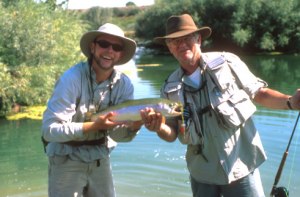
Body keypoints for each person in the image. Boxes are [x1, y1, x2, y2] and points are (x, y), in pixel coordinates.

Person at [140, 14, 300, 197]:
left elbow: (260, 93)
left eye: (186, 38)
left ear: (198, 39)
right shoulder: (168, 89)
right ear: (169, 47)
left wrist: (290, 102)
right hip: (202, 177)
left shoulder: (228, 63)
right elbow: (172, 134)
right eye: (174, 41)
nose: (181, 44)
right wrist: (159, 127)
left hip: (242, 170)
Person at [42, 23, 143, 197]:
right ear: (93, 46)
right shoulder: (71, 79)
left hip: (100, 157)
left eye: (116, 47)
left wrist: (136, 124)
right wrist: (93, 126)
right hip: (65, 157)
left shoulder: (124, 85)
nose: (109, 51)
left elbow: (118, 136)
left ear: (120, 54)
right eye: (104, 44)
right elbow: (49, 131)